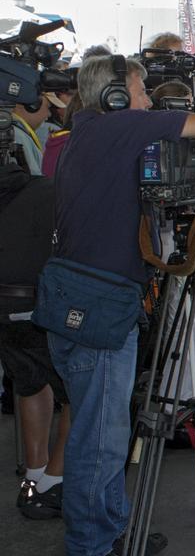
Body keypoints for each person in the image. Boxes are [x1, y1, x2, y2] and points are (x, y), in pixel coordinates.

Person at [43, 53, 195, 556]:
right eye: (139, 92)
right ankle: (92, 545)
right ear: (115, 96)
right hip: (102, 304)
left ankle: (111, 530)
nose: (143, 102)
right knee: (101, 439)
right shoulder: (120, 126)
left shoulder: (85, 132)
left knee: (102, 430)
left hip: (75, 297)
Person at [0, 153, 68, 521]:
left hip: (3, 309)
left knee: (29, 385)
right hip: (39, 303)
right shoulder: (46, 190)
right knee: (76, 394)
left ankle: (35, 476)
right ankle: (55, 482)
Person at [12, 94, 53, 176]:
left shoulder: (19, 133)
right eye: (48, 107)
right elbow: (34, 181)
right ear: (32, 106)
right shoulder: (18, 136)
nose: (49, 114)